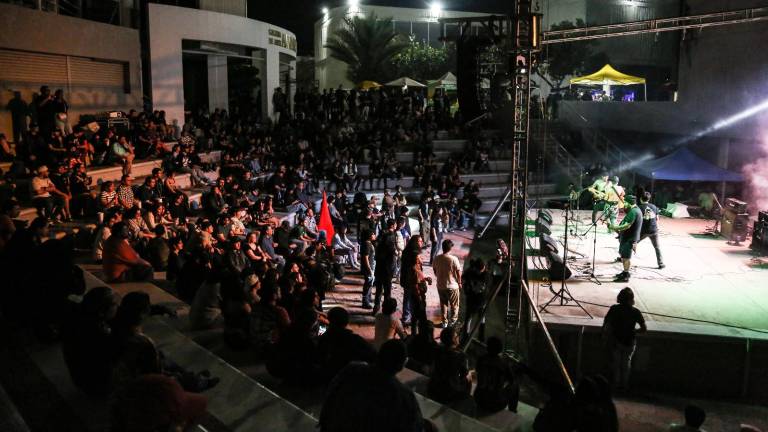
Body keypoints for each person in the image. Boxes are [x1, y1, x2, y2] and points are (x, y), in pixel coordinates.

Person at [319, 339, 428, 432]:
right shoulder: (404, 395)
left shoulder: (352, 369)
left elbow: (332, 391)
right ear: (402, 365)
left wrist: (324, 422)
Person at [602, 287, 646, 391]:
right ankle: (624, 385)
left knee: (616, 364)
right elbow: (643, 329)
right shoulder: (636, 312)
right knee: (626, 364)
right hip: (629, 342)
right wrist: (633, 332)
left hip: (616, 341)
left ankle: (616, 384)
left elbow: (606, 324)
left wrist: (604, 336)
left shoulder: (614, 309)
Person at [318, 307, 377, 382]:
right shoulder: (355, 340)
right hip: (349, 380)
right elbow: (373, 356)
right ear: (346, 322)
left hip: (328, 378)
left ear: (329, 320)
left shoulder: (324, 338)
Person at [427, 327, 472, 410]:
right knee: (469, 375)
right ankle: (465, 397)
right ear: (453, 339)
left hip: (434, 388)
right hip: (450, 393)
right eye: (457, 336)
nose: (458, 337)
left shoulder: (437, 350)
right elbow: (464, 375)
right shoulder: (461, 356)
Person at [473, 336, 520, 413]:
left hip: (478, 400)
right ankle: (512, 410)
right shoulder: (503, 363)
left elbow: (479, 371)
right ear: (500, 349)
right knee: (515, 385)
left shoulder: (481, 359)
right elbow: (511, 380)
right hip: (496, 404)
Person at [608, 195, 643, 282]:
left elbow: (627, 225)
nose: (624, 205)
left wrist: (614, 227)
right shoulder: (634, 210)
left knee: (626, 257)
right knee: (623, 257)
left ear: (629, 203)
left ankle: (626, 275)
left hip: (629, 238)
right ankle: (624, 272)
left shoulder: (633, 212)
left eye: (625, 203)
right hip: (627, 237)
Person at [432, 239, 462, 328]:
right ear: (450, 248)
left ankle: (444, 322)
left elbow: (435, 271)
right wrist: (459, 282)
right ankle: (453, 322)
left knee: (443, 304)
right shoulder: (453, 259)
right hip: (452, 286)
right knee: (454, 305)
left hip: (441, 285)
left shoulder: (437, 258)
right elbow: (458, 272)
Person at [373, 219, 397, 313]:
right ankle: (386, 310)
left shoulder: (381, 236)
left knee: (379, 289)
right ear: (393, 225)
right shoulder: (390, 237)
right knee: (387, 291)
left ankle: (376, 307)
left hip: (379, 267)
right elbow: (392, 253)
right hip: (387, 269)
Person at [462, 258, 488, 342]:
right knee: (471, 319)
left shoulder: (481, 273)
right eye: (482, 269)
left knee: (479, 319)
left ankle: (478, 337)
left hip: (478, 300)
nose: (484, 270)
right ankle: (467, 337)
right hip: (475, 300)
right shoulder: (482, 275)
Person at [638, 191, 665, 269]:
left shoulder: (639, 208)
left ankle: (624, 257)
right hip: (654, 230)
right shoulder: (654, 206)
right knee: (657, 247)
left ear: (640, 199)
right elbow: (657, 218)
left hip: (644, 231)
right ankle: (661, 263)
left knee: (632, 243)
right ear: (649, 199)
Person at [360, 228, 376, 309]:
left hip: (371, 267)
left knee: (369, 284)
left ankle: (368, 300)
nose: (374, 235)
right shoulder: (367, 244)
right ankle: (365, 302)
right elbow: (365, 258)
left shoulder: (368, 243)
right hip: (369, 268)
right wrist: (369, 269)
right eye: (373, 234)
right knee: (368, 284)